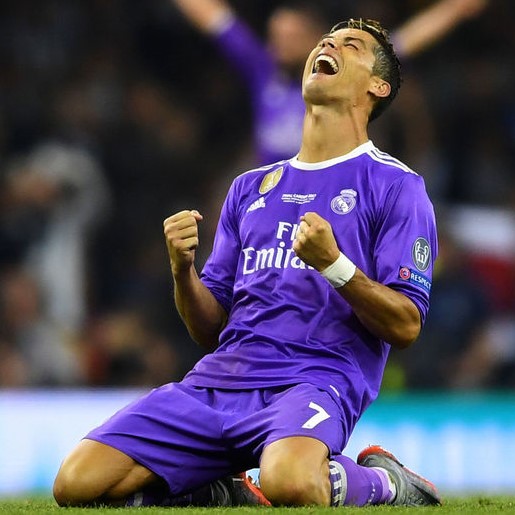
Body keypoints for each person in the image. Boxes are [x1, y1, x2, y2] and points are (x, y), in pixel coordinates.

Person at [53, 17, 439, 507]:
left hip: (314, 380)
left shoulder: (396, 186)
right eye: (327, 39)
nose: (328, 44)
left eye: (351, 45)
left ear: (377, 86)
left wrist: (335, 266)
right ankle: (216, 486)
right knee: (76, 485)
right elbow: (209, 328)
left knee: (292, 485)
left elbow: (406, 326)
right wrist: (181, 270)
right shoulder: (250, 188)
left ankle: (386, 482)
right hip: (221, 380)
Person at [170, 0, 488, 166]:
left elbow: (403, 42)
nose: (276, 46)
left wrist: (454, 9)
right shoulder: (264, 71)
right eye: (274, 37)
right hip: (274, 198)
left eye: (289, 38)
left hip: (330, 198)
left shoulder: (346, 74)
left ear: (315, 38)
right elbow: (215, 17)